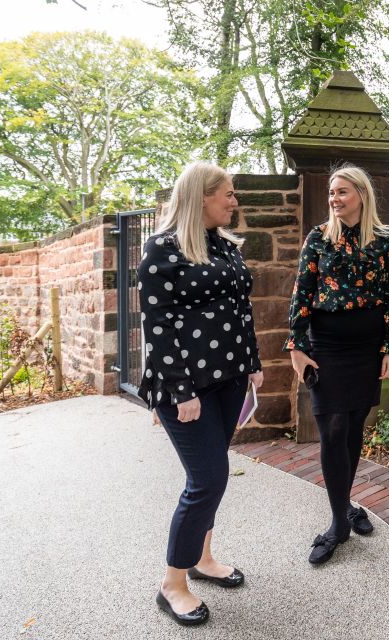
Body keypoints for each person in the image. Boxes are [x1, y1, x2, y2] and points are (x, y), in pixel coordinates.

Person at [137, 162, 264, 626]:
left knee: (216, 474)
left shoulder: (223, 246)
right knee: (207, 478)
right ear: (201, 197)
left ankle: (203, 559)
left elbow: (240, 309)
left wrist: (252, 363)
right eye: (227, 194)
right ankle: (172, 583)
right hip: (186, 389)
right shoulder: (162, 251)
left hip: (230, 380)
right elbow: (159, 327)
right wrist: (180, 390)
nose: (234, 201)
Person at [285, 163, 389, 565]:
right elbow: (302, 292)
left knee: (353, 428)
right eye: (332, 193)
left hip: (367, 347)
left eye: (342, 192)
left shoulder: (385, 241)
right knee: (332, 428)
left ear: (362, 195)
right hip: (328, 345)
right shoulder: (318, 238)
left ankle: (346, 505)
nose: (334, 199)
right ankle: (339, 523)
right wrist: (296, 346)